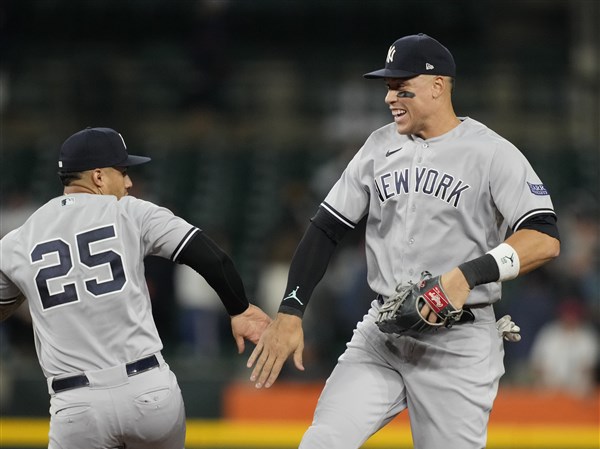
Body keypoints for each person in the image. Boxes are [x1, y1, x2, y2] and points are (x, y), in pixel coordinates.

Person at [247, 33, 560, 449]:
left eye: (401, 87)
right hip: (383, 333)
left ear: (438, 85)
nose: (390, 97)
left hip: (459, 342)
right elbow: (326, 227)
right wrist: (291, 308)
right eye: (388, 87)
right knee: (321, 443)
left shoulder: (491, 153)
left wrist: (468, 275)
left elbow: (544, 237)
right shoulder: (379, 145)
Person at [0, 127, 271, 449]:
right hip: (148, 390)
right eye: (123, 172)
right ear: (99, 176)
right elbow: (212, 257)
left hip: (76, 403)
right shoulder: (130, 211)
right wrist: (239, 309)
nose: (128, 183)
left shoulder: (17, 240)